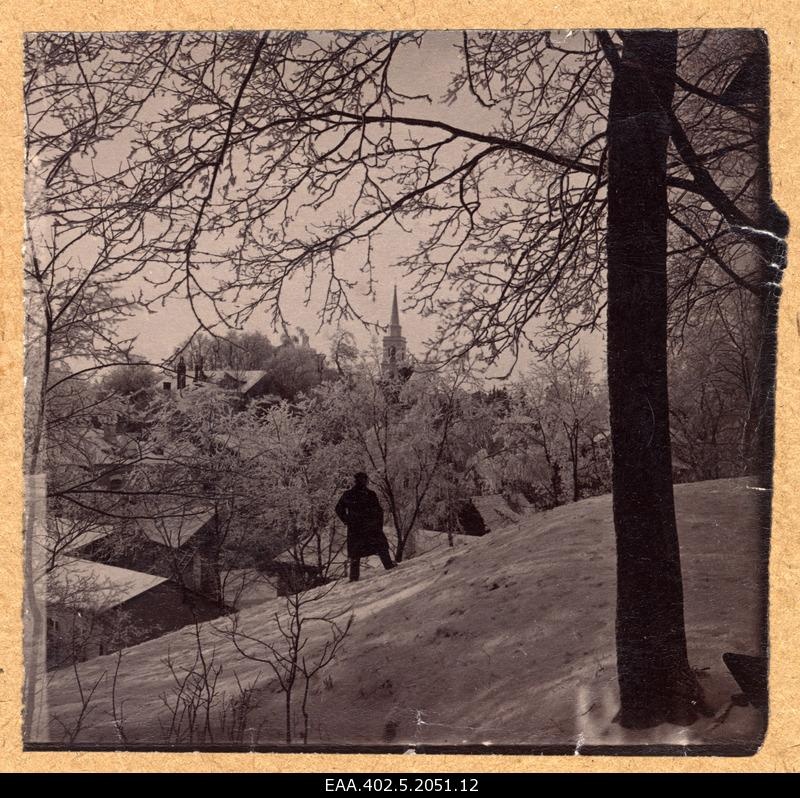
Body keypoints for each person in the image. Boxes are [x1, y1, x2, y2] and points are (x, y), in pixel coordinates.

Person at [335, 472, 397, 582]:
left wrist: (347, 520)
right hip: (366, 527)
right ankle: (387, 565)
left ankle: (355, 577)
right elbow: (339, 509)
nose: (364, 482)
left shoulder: (355, 494)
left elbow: (378, 510)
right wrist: (348, 520)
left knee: (362, 551)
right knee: (367, 549)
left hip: (362, 527)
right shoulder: (361, 494)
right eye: (363, 480)